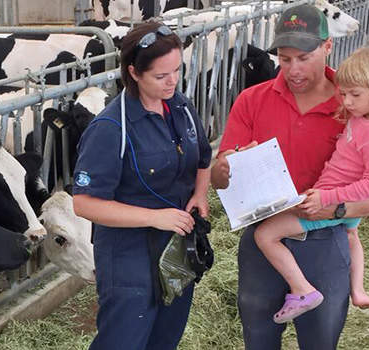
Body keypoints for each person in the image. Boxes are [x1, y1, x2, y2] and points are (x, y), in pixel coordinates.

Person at [211, 4, 369, 350]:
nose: (293, 69)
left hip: (324, 242)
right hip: (263, 238)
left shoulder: (353, 105)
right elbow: (219, 178)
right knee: (258, 339)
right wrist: (225, 167)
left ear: (327, 47)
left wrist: (335, 210)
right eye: (285, 59)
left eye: (304, 58)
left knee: (320, 342)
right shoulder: (251, 100)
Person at [72, 22, 212, 350]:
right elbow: (85, 204)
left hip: (178, 243)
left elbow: (203, 157)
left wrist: (200, 194)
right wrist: (155, 217)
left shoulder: (180, 107)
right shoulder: (110, 127)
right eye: (161, 76)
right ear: (134, 73)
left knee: (166, 336)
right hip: (128, 254)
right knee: (124, 339)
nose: (172, 81)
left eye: (177, 70)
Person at [254, 47, 369, 324]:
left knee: (265, 235)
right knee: (351, 236)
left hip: (329, 200)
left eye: (355, 95)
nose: (346, 102)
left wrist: (326, 198)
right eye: (343, 94)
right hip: (341, 199)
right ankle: (357, 290)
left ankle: (302, 290)